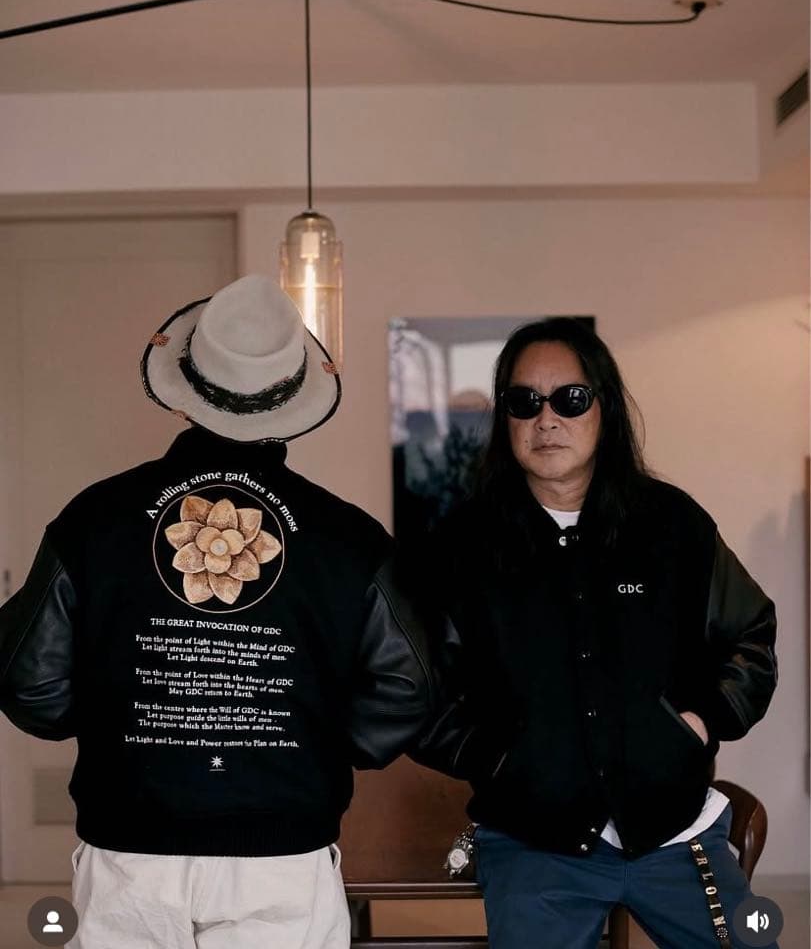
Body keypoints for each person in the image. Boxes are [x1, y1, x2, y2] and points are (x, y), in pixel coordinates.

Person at [0, 274, 433, 949]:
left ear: (187, 394)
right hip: (283, 853)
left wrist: (123, 724)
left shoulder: (95, 518)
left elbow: (30, 684)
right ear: (291, 400)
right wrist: (317, 743)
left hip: (129, 851)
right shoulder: (350, 539)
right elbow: (408, 687)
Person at [412, 318, 778, 949]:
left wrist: (699, 722)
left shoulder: (674, 526)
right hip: (534, 844)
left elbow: (750, 635)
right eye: (524, 402)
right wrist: (496, 759)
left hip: (676, 833)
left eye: (570, 399)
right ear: (505, 418)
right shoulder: (462, 547)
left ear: (604, 407)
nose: (546, 420)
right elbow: (418, 686)